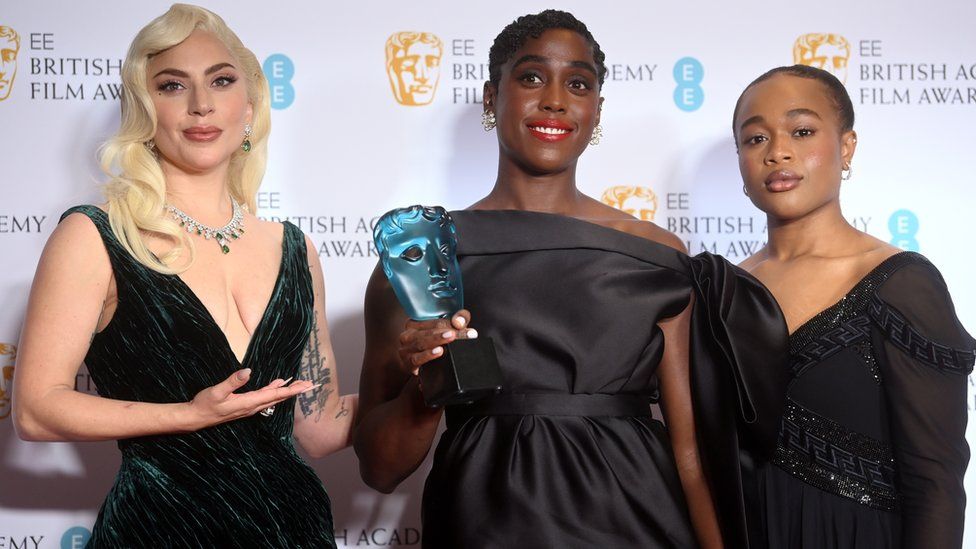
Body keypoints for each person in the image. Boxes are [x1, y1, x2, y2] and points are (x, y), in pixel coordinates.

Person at [355, 10, 789, 548]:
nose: (555, 99)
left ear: (597, 109)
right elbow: (379, 470)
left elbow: (691, 453)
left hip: (638, 523)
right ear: (492, 97)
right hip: (483, 525)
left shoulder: (656, 254)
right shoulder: (423, 255)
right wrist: (427, 387)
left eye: (578, 83)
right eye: (532, 77)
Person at [12, 5, 356, 547]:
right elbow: (34, 410)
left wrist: (415, 377)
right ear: (145, 111)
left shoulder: (296, 248)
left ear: (249, 105)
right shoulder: (96, 236)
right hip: (161, 526)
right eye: (173, 86)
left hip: (292, 528)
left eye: (221, 81)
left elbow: (320, 426)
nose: (201, 104)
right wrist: (188, 414)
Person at [734, 64, 975, 548]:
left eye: (802, 132)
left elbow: (935, 484)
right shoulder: (724, 289)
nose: (777, 152)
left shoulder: (901, 284)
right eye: (755, 139)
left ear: (846, 147)